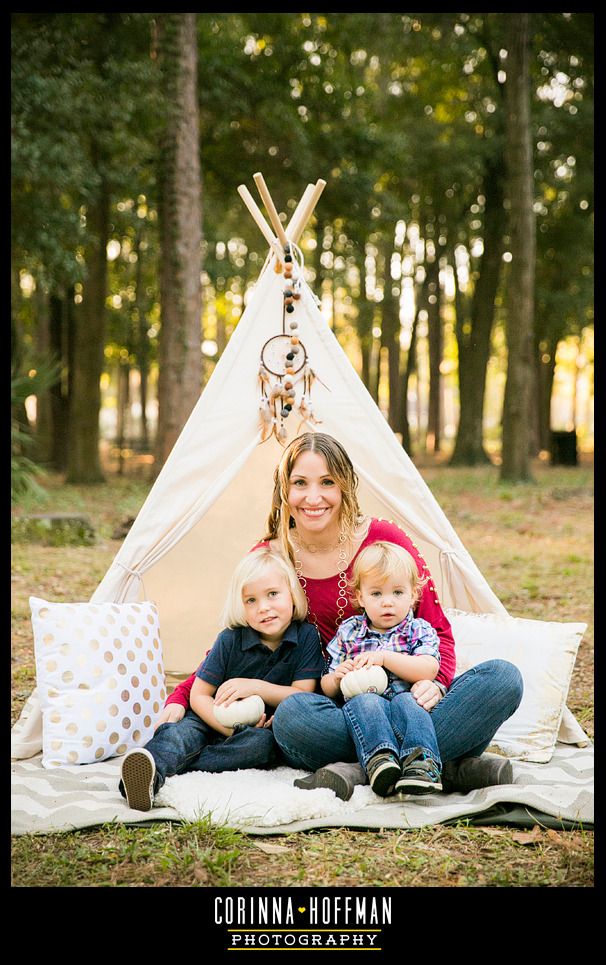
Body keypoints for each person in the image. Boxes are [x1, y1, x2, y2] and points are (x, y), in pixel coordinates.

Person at [165, 432, 523, 802]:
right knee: (292, 717)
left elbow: (438, 632)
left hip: (408, 699)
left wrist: (438, 684)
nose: (313, 497)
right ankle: (440, 764)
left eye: (327, 483)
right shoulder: (272, 554)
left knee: (503, 678)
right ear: (283, 490)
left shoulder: (384, 539)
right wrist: (182, 694)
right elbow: (237, 636)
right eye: (299, 483)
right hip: (331, 713)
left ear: (345, 486)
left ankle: (359, 768)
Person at [119, 547, 324, 811]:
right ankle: (146, 774)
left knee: (262, 747)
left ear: (292, 596)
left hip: (256, 730)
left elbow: (302, 694)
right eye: (251, 600)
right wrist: (223, 726)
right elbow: (199, 694)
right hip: (209, 716)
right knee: (181, 735)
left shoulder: (306, 636)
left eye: (273, 594)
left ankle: (183, 764)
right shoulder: (230, 639)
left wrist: (255, 688)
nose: (264, 607)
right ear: (240, 605)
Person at [323, 540, 443, 797]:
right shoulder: (349, 631)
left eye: (397, 593)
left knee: (410, 703)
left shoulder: (418, 629)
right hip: (364, 708)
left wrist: (385, 658)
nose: (387, 602)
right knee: (364, 701)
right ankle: (380, 761)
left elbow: (428, 669)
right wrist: (337, 677)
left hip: (406, 702)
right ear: (360, 598)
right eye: (377, 594)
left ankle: (422, 764)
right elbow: (326, 682)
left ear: (413, 595)